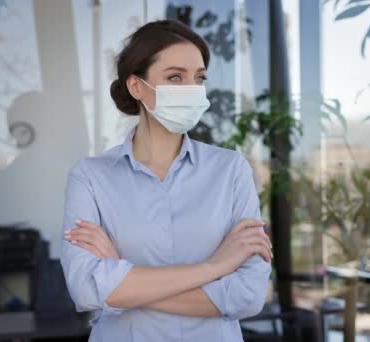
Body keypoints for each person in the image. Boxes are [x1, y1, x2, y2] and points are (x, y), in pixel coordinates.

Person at [60, 19, 273, 341]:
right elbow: (87, 289)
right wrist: (216, 267)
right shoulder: (90, 176)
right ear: (136, 86)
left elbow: (248, 294)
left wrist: (121, 275)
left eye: (198, 78)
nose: (191, 89)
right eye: (175, 77)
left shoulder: (231, 170)